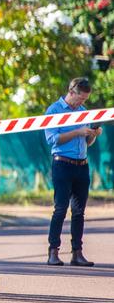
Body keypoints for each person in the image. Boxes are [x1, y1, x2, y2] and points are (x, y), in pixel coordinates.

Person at [44, 77, 102, 267]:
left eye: (85, 100)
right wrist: (78, 132)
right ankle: (53, 252)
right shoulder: (54, 111)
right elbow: (53, 139)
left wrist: (92, 134)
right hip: (62, 164)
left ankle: (77, 252)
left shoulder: (83, 112)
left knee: (79, 212)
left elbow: (87, 143)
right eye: (80, 99)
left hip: (82, 165)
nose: (82, 103)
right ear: (71, 92)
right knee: (60, 208)